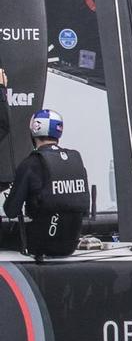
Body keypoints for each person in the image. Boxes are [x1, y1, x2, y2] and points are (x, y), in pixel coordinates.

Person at [3, 109, 89, 256]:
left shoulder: (30, 163)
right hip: (70, 246)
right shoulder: (76, 162)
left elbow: (11, 211)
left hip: (40, 245)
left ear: (33, 131)